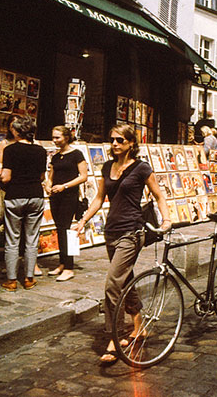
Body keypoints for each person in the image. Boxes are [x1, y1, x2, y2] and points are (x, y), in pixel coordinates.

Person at [73, 123, 171, 364]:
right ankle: (139, 326)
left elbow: (159, 195)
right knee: (125, 279)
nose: (114, 144)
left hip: (132, 232)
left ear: (130, 143)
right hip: (111, 232)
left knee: (112, 285)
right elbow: (98, 198)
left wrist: (167, 219)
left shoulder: (141, 168)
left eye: (120, 140)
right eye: (112, 140)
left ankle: (114, 337)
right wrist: (83, 220)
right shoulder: (107, 167)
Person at [0, 116, 47, 291]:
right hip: (35, 195)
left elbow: (6, 177)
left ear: (16, 131)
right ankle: (28, 278)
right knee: (32, 239)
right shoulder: (41, 151)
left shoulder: (10, 150)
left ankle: (11, 280)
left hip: (15, 195)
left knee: (12, 239)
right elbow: (42, 177)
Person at [45, 126, 88, 282]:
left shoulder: (76, 154)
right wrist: (48, 185)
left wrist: (65, 186)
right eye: (53, 137)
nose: (55, 140)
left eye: (57, 137)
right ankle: (62, 263)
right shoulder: (56, 157)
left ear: (66, 137)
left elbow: (83, 176)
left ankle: (69, 267)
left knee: (67, 230)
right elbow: (51, 176)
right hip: (55, 197)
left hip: (69, 196)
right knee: (60, 229)